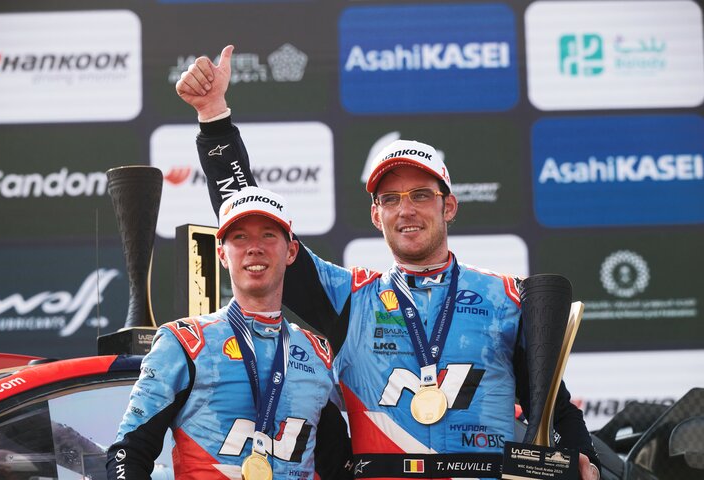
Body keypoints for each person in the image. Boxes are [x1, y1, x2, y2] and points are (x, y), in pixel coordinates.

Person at [176, 45, 602, 480]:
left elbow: (552, 407)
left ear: (449, 206)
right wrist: (214, 119)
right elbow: (247, 211)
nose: (406, 210)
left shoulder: (505, 298)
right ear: (376, 215)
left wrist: (584, 460)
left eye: (421, 195)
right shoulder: (348, 298)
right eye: (391, 199)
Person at [106, 186, 353, 480]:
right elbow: (128, 454)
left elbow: (339, 468)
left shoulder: (315, 354)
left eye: (268, 235)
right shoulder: (184, 343)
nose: (254, 247)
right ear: (222, 254)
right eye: (240, 237)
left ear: (291, 252)